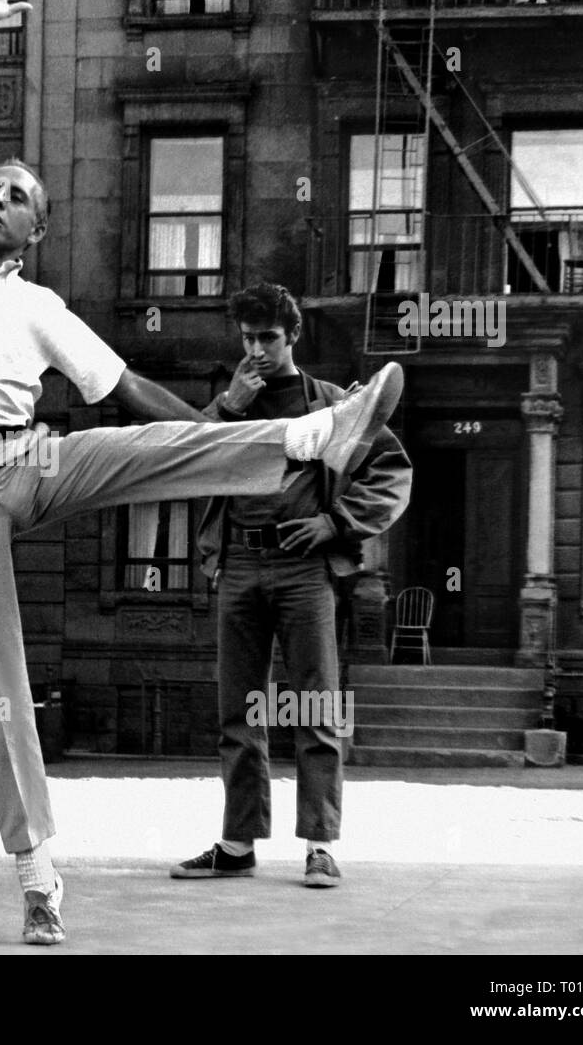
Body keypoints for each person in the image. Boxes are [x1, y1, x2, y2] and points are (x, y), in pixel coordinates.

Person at [0, 0, 405, 944]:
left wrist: (213, 439)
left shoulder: (41, 307)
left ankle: (309, 432)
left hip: (26, 457)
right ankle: (37, 872)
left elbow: (126, 395)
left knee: (149, 444)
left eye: (16, 194)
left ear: (38, 230)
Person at [169, 283, 412, 888]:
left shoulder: (330, 403)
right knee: (238, 711)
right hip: (239, 568)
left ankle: (320, 846)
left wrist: (335, 522)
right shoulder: (229, 402)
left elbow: (391, 471)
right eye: (247, 338)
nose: (255, 350)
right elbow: (182, 460)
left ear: (292, 337)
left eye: (267, 338)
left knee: (314, 704)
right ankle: (237, 844)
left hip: (306, 572)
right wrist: (228, 406)